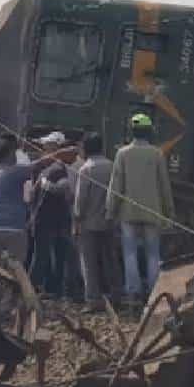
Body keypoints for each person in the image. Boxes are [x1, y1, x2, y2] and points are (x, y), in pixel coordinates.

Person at [0, 133, 74, 269]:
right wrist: (64, 152)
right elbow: (42, 162)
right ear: (10, 154)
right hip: (14, 228)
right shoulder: (15, 172)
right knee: (15, 272)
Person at [109, 114, 176, 304]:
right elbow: (164, 185)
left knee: (129, 252)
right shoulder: (157, 154)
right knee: (153, 253)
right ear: (149, 132)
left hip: (128, 213)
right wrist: (169, 210)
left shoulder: (122, 153)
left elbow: (116, 186)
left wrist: (110, 210)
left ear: (132, 131)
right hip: (152, 212)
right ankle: (154, 293)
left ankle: (133, 293)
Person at [74, 133, 117, 313]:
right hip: (109, 222)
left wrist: (77, 218)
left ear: (86, 149)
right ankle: (116, 296)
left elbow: (80, 200)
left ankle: (93, 300)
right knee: (110, 261)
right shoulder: (112, 166)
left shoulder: (86, 169)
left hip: (89, 224)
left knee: (89, 263)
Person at [30, 133, 74, 299]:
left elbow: (64, 189)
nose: (43, 149)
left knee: (44, 255)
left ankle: (38, 287)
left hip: (49, 218)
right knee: (52, 255)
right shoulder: (47, 167)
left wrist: (46, 185)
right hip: (52, 218)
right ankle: (50, 288)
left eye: (46, 147)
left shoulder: (57, 168)